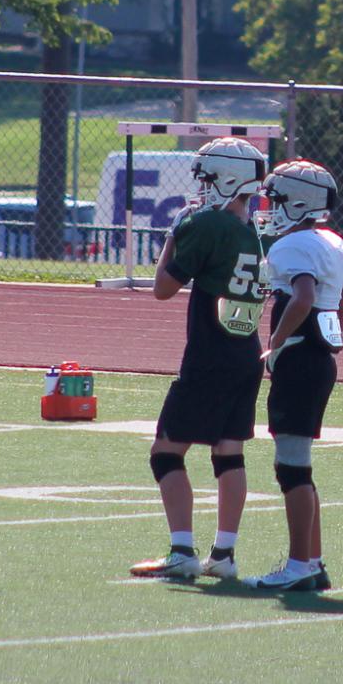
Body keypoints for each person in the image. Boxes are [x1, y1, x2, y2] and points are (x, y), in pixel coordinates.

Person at [128, 138, 270, 581]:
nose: (204, 188)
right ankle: (224, 554)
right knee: (229, 454)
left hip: (209, 354)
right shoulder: (252, 230)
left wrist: (174, 234)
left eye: (209, 178)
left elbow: (162, 288)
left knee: (166, 452)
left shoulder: (207, 225)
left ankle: (182, 549)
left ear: (228, 179)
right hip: (245, 351)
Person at [245, 161, 343, 592]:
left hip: (299, 362)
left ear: (297, 202)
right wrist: (325, 338)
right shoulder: (330, 242)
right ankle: (312, 559)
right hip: (320, 361)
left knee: (291, 468)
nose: (268, 207)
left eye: (274, 199)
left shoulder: (291, 248)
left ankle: (299, 564)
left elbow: (305, 296)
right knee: (300, 468)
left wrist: (276, 342)